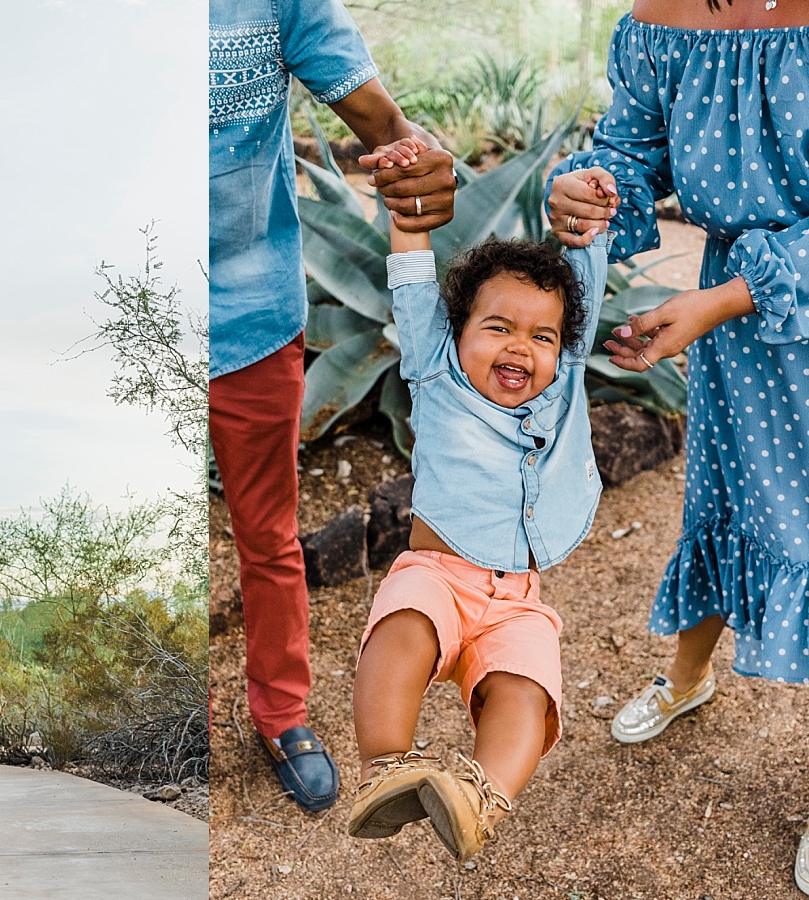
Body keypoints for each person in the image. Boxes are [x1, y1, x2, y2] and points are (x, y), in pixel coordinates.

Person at [545, 1, 809, 891]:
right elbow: (631, 144)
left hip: (753, 300)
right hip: (739, 329)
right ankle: (689, 677)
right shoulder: (660, 19)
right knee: (729, 502)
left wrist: (727, 295)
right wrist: (589, 187)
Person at [209, 0, 456, 813]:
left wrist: (416, 161)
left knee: (267, 531)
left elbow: (379, 119)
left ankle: (279, 714)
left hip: (247, 318)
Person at [346, 138, 609, 860]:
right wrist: (407, 205)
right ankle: (385, 768)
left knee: (528, 689)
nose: (520, 347)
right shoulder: (435, 372)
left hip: (519, 598)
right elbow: (411, 274)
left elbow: (584, 275)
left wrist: (585, 218)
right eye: (497, 328)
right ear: (456, 331)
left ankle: (478, 797)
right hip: (439, 576)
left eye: (542, 336)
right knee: (403, 629)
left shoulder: (564, 383)